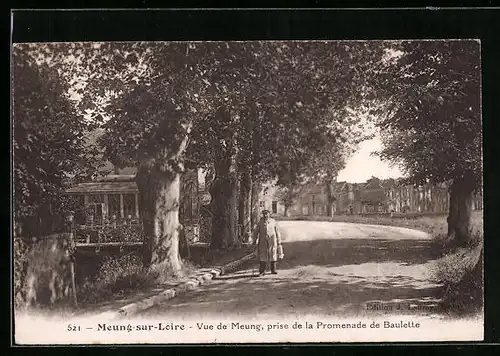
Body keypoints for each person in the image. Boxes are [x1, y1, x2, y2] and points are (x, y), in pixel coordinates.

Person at [253, 210, 284, 276]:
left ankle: (273, 270)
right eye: (264, 214)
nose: (265, 215)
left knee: (273, 253)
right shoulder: (260, 222)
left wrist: (279, 241)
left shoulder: (273, 222)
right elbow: (256, 232)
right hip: (263, 241)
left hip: (272, 240)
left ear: (269, 214)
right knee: (262, 255)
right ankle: (262, 271)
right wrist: (254, 240)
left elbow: (277, 232)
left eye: (266, 214)